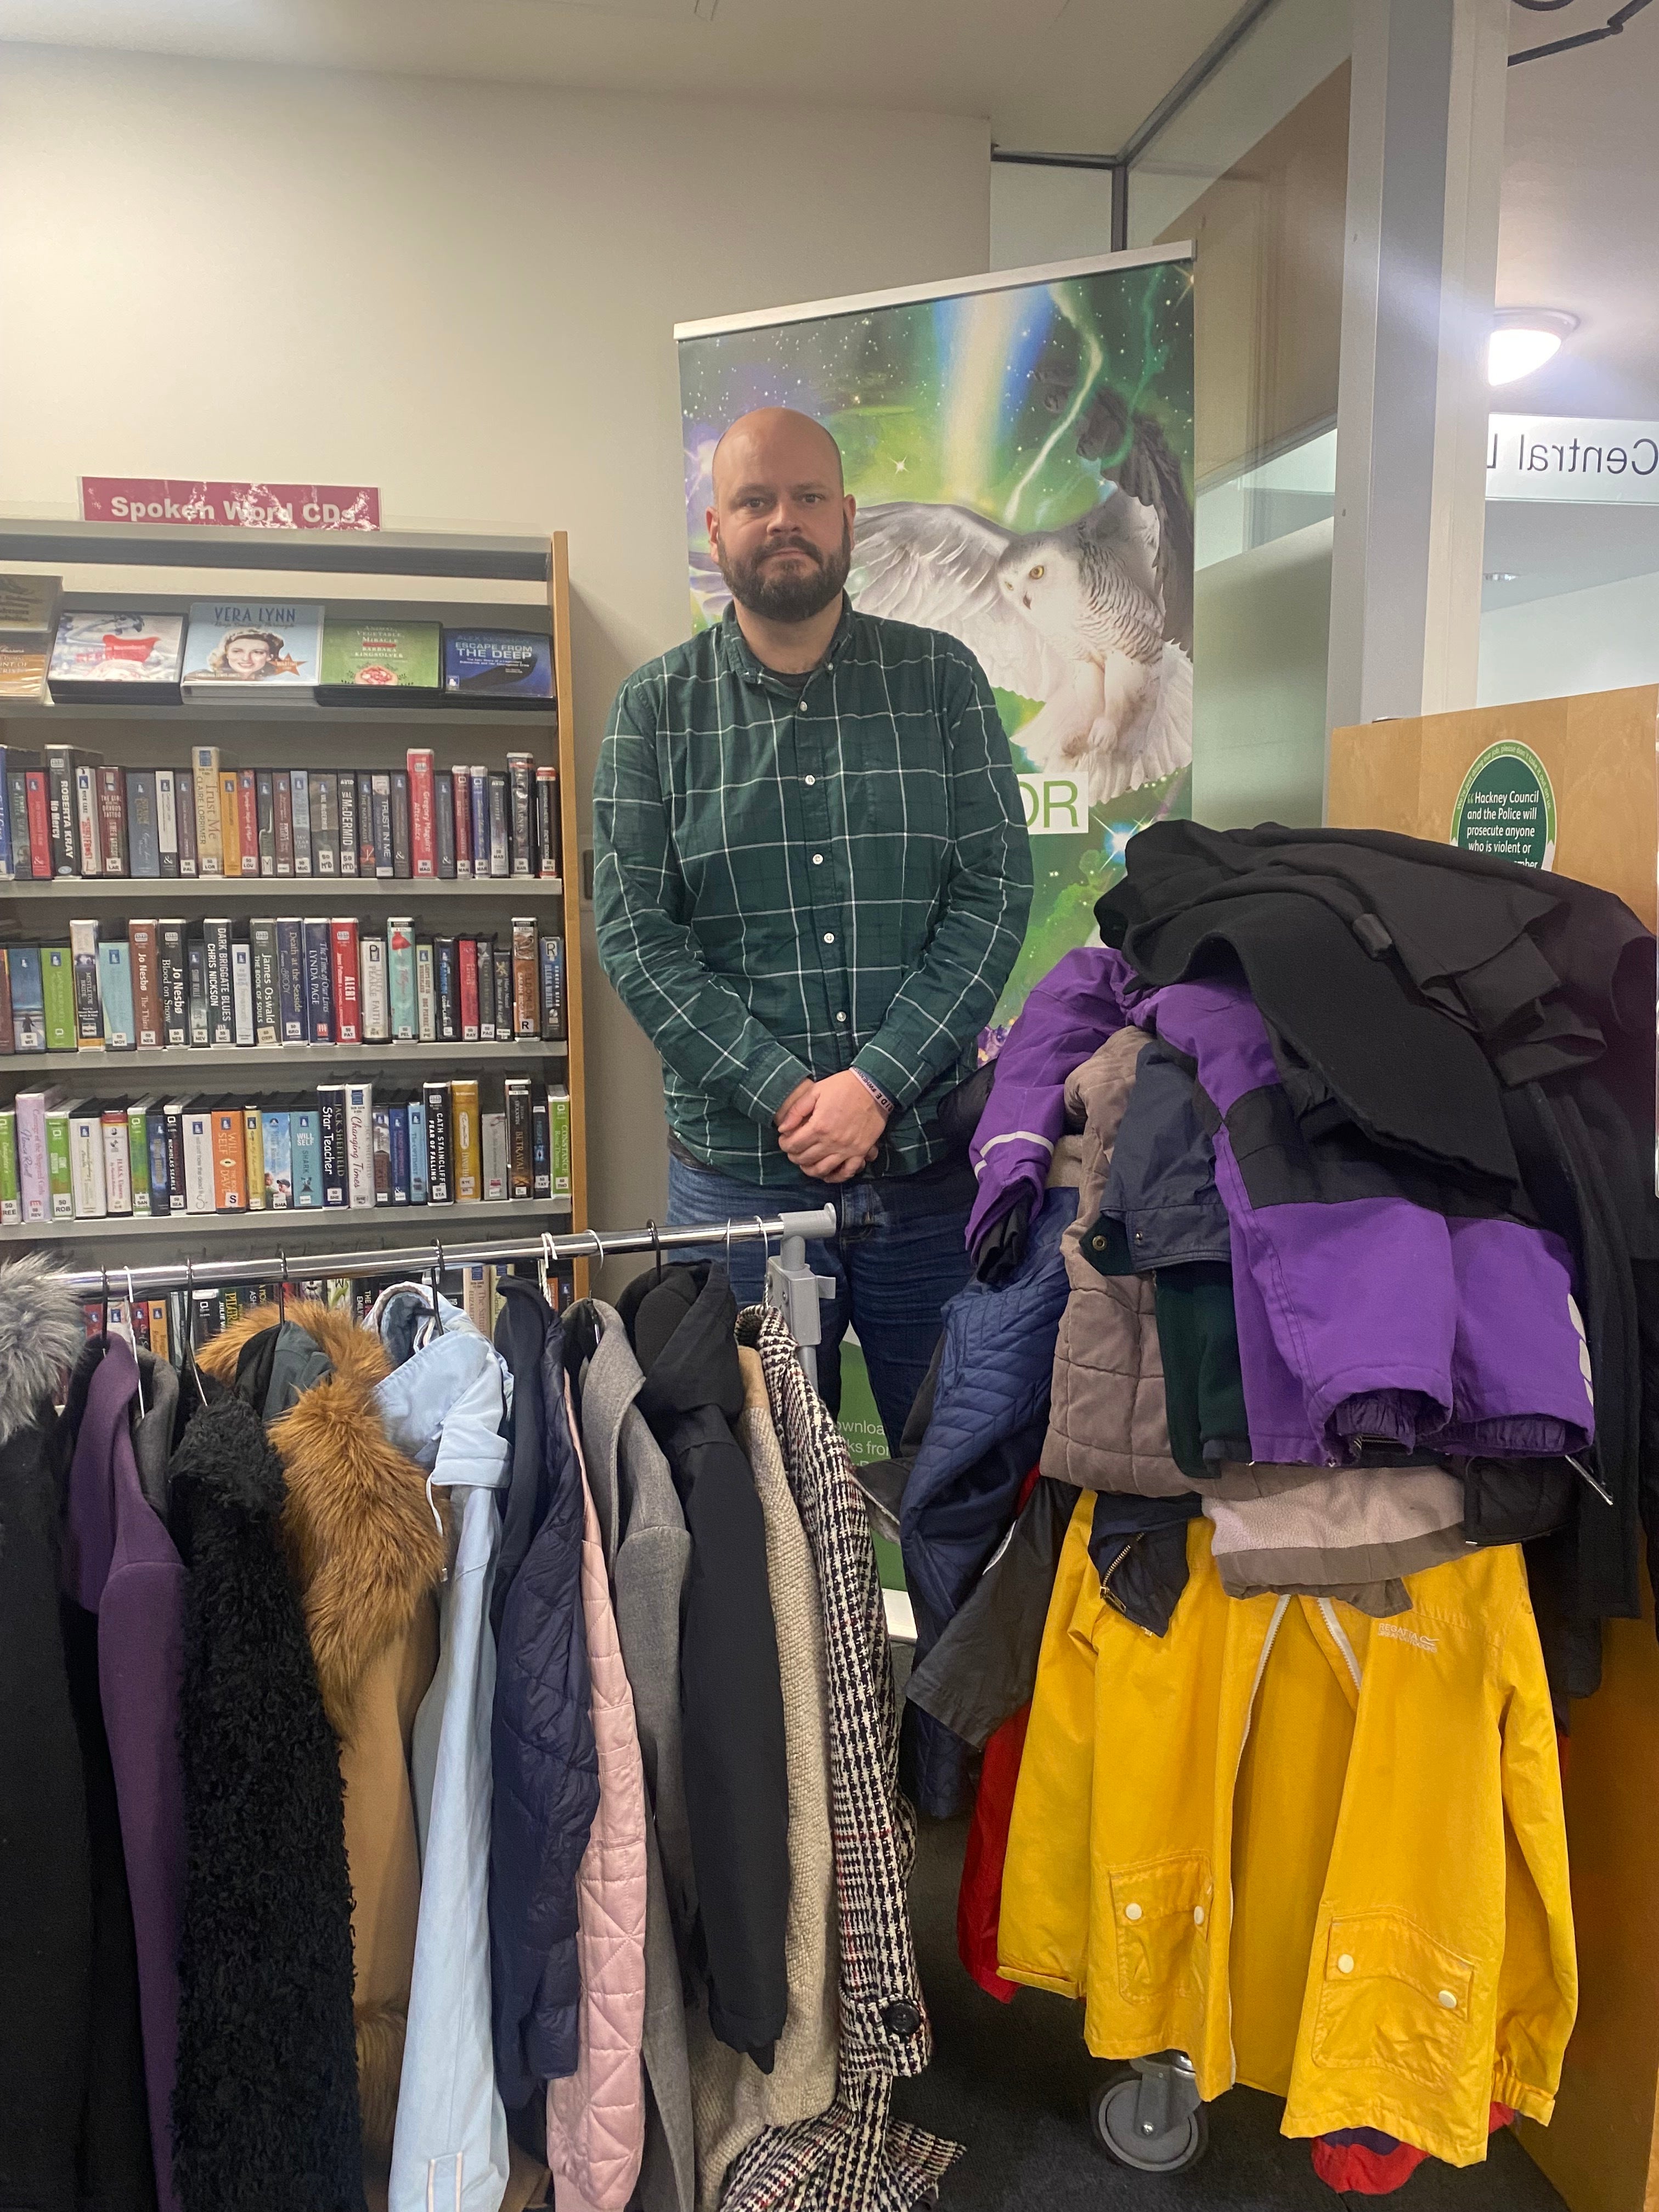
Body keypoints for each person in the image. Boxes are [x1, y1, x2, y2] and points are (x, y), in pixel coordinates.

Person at [592, 405, 1032, 1443]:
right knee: (756, 1500)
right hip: (735, 1185)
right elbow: (637, 938)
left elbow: (994, 896)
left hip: (926, 1172)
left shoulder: (942, 684)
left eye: (806, 498)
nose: (782, 520)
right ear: (716, 530)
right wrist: (793, 1095)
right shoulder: (653, 713)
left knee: (960, 1481)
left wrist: (875, 1085)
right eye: (754, 501)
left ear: (848, 517)